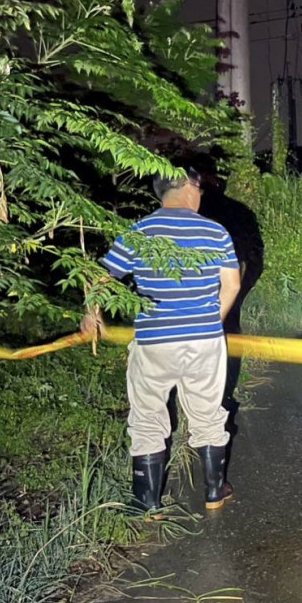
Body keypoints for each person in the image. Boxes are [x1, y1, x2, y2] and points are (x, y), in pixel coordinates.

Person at [82, 166, 242, 515]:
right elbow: (231, 286)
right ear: (187, 186)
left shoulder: (139, 231)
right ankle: (215, 491)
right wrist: (208, 323)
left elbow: (102, 277)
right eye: (199, 187)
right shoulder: (215, 231)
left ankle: (147, 503)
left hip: (153, 340)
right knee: (207, 414)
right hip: (204, 341)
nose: (200, 194)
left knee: (148, 416)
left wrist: (91, 313)